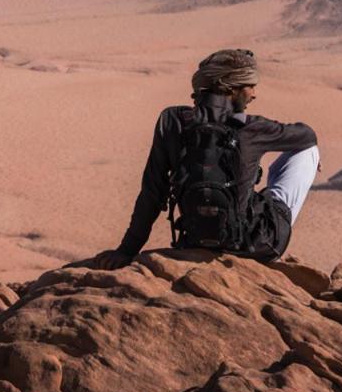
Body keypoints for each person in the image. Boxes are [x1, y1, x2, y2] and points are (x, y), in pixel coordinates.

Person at [94, 49, 319, 269]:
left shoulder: (172, 120)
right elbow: (307, 136)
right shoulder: (252, 127)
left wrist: (127, 251)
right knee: (308, 151)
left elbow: (152, 192)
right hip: (255, 245)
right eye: (250, 86)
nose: (253, 94)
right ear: (231, 88)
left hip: (193, 240)